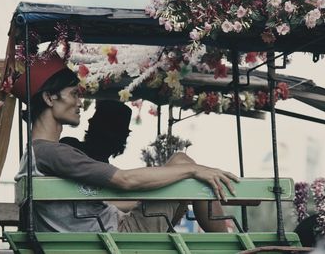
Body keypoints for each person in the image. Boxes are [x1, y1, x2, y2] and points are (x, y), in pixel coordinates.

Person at [13, 52, 240, 233]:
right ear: (49, 97)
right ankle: (228, 246)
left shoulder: (38, 153)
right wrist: (195, 170)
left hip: (108, 228)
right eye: (74, 94)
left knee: (182, 162)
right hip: (118, 234)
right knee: (186, 164)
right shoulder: (53, 153)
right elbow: (125, 180)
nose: (80, 103)